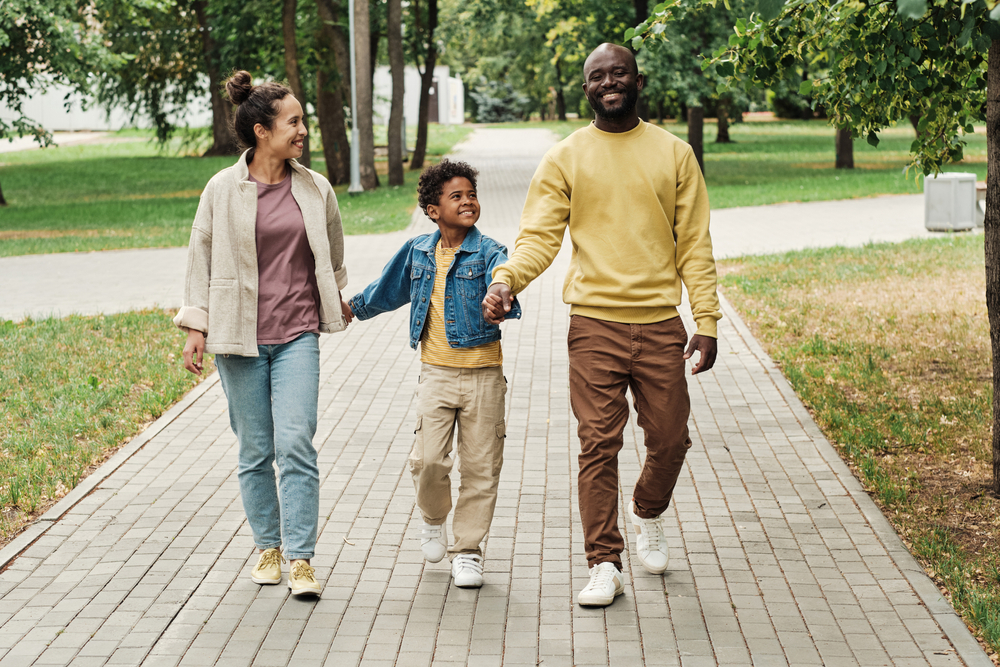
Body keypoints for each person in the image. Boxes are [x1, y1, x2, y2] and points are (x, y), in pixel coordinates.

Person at [483, 43, 721, 607]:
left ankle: (648, 512)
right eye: (597, 76)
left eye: (618, 73)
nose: (608, 82)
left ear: (638, 81)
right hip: (594, 326)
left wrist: (706, 318)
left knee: (670, 439)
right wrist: (506, 279)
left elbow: (695, 245)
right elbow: (539, 237)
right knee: (598, 444)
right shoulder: (565, 157)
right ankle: (604, 563)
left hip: (661, 323)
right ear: (585, 89)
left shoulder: (675, 153)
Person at [174, 70, 352, 598]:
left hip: (297, 333)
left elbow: (334, 253)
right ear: (261, 131)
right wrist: (195, 325)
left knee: (296, 443)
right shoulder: (222, 189)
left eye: (302, 121)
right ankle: (267, 547)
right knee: (255, 449)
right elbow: (198, 257)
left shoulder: (315, 187)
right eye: (293, 121)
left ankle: (301, 558)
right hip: (238, 337)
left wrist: (336, 294)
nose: (303, 130)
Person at [344, 159, 520, 588]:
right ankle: (433, 518)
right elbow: (387, 290)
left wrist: (500, 299)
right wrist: (350, 308)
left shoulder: (491, 251)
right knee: (427, 462)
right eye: (455, 196)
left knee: (481, 468)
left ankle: (468, 551)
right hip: (436, 375)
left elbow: (505, 280)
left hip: (483, 376)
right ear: (431, 209)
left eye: (471, 195)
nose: (467, 202)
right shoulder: (418, 252)